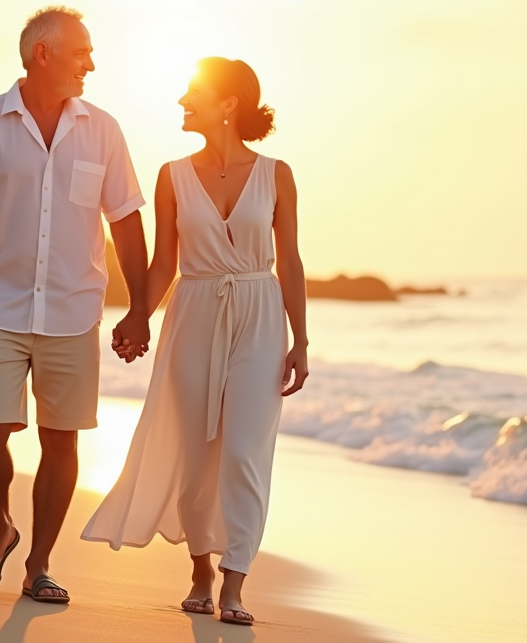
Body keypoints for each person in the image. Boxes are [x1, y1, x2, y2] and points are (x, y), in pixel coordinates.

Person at [82, 57, 309, 626]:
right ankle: (201, 569)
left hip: (258, 313)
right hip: (195, 311)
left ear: (228, 103)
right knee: (197, 450)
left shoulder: (277, 174)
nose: (182, 100)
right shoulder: (172, 175)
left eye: (194, 92)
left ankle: (235, 581)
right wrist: (139, 316)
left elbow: (291, 262)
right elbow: (165, 264)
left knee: (242, 452)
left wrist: (301, 340)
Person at [0, 7, 151, 603]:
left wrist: (139, 308)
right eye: (82, 51)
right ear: (43, 55)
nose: (91, 63)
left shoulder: (103, 130)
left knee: (62, 439)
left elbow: (126, 219)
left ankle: (39, 563)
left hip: (75, 312)